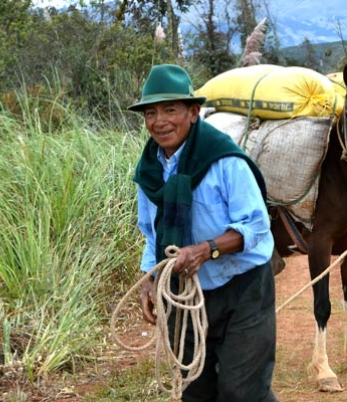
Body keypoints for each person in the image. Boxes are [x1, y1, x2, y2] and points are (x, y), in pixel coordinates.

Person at [129, 64, 279, 401]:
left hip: (244, 287)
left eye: (171, 109)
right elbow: (151, 233)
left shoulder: (224, 159)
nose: (160, 121)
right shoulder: (150, 171)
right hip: (185, 295)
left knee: (241, 391)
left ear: (193, 113)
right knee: (196, 390)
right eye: (151, 112)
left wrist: (205, 250)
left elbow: (255, 225)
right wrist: (149, 279)